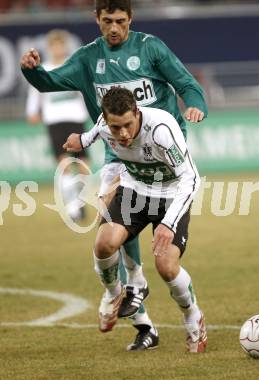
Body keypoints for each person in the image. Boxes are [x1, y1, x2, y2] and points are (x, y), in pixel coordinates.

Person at [20, 0, 208, 350]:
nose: (114, 28)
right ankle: (140, 311)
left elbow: (185, 82)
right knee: (109, 232)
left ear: (130, 19)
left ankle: (139, 290)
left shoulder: (151, 48)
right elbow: (50, 82)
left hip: (159, 152)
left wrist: (197, 104)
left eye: (121, 21)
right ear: (97, 19)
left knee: (143, 246)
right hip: (117, 152)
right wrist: (33, 71)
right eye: (107, 21)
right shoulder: (89, 58)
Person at [63, 87, 207, 353]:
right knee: (104, 243)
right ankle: (114, 293)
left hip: (172, 195)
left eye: (128, 125)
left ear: (137, 113)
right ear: (107, 120)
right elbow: (91, 134)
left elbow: (191, 179)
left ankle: (193, 316)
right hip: (134, 191)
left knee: (166, 265)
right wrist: (79, 141)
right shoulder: (105, 126)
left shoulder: (161, 130)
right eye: (116, 128)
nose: (124, 134)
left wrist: (168, 224)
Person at [26, 29, 89, 220]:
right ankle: (71, 206)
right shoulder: (43, 68)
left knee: (84, 164)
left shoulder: (73, 66)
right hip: (54, 120)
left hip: (76, 118)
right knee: (64, 164)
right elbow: (35, 92)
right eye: (54, 46)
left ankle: (79, 201)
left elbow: (84, 90)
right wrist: (32, 111)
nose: (57, 49)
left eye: (60, 45)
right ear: (49, 48)